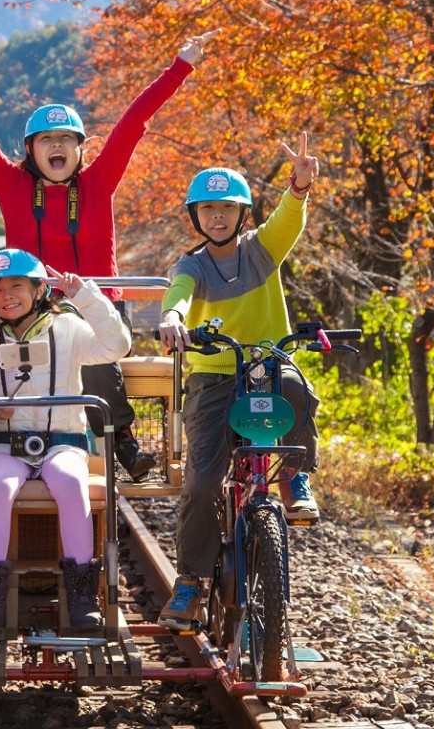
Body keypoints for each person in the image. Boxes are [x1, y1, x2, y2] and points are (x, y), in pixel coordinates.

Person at [0, 32, 219, 483]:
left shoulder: (98, 183)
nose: (57, 146)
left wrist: (181, 65)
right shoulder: (13, 186)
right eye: (46, 139)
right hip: (30, 305)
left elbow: (135, 121)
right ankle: (16, 447)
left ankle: (121, 440)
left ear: (80, 150)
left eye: (66, 139)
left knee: (86, 344)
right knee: (45, 354)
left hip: (94, 301)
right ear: (31, 150)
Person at [154, 135, 320, 632]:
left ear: (243, 214)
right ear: (195, 216)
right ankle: (190, 584)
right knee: (202, 483)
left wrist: (300, 185)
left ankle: (294, 476)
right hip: (213, 376)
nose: (218, 218)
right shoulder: (193, 265)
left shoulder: (262, 250)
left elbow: (288, 220)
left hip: (265, 367)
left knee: (294, 384)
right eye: (208, 210)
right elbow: (179, 294)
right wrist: (171, 318)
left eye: (228, 209)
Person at [0, 248, 131, 636]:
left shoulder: (69, 328)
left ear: (40, 290)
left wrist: (85, 296)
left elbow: (115, 346)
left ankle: (82, 595)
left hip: (63, 442)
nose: (7, 296)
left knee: (71, 482)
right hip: (7, 445)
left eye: (17, 286)